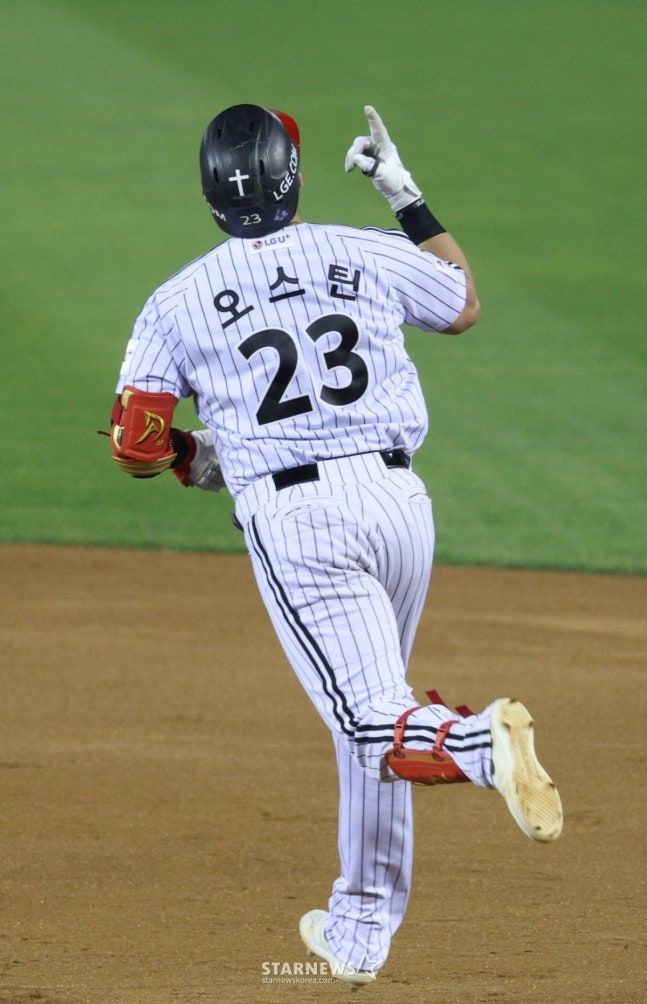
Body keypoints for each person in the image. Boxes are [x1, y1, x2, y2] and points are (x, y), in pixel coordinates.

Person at [108, 103, 563, 987]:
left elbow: (136, 440)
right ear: (295, 182)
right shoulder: (363, 250)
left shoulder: (176, 300)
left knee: (365, 717)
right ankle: (360, 923)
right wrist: (404, 193)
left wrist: (203, 461)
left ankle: (480, 746)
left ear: (209, 200)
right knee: (376, 708)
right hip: (398, 504)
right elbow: (461, 303)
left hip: (301, 525)